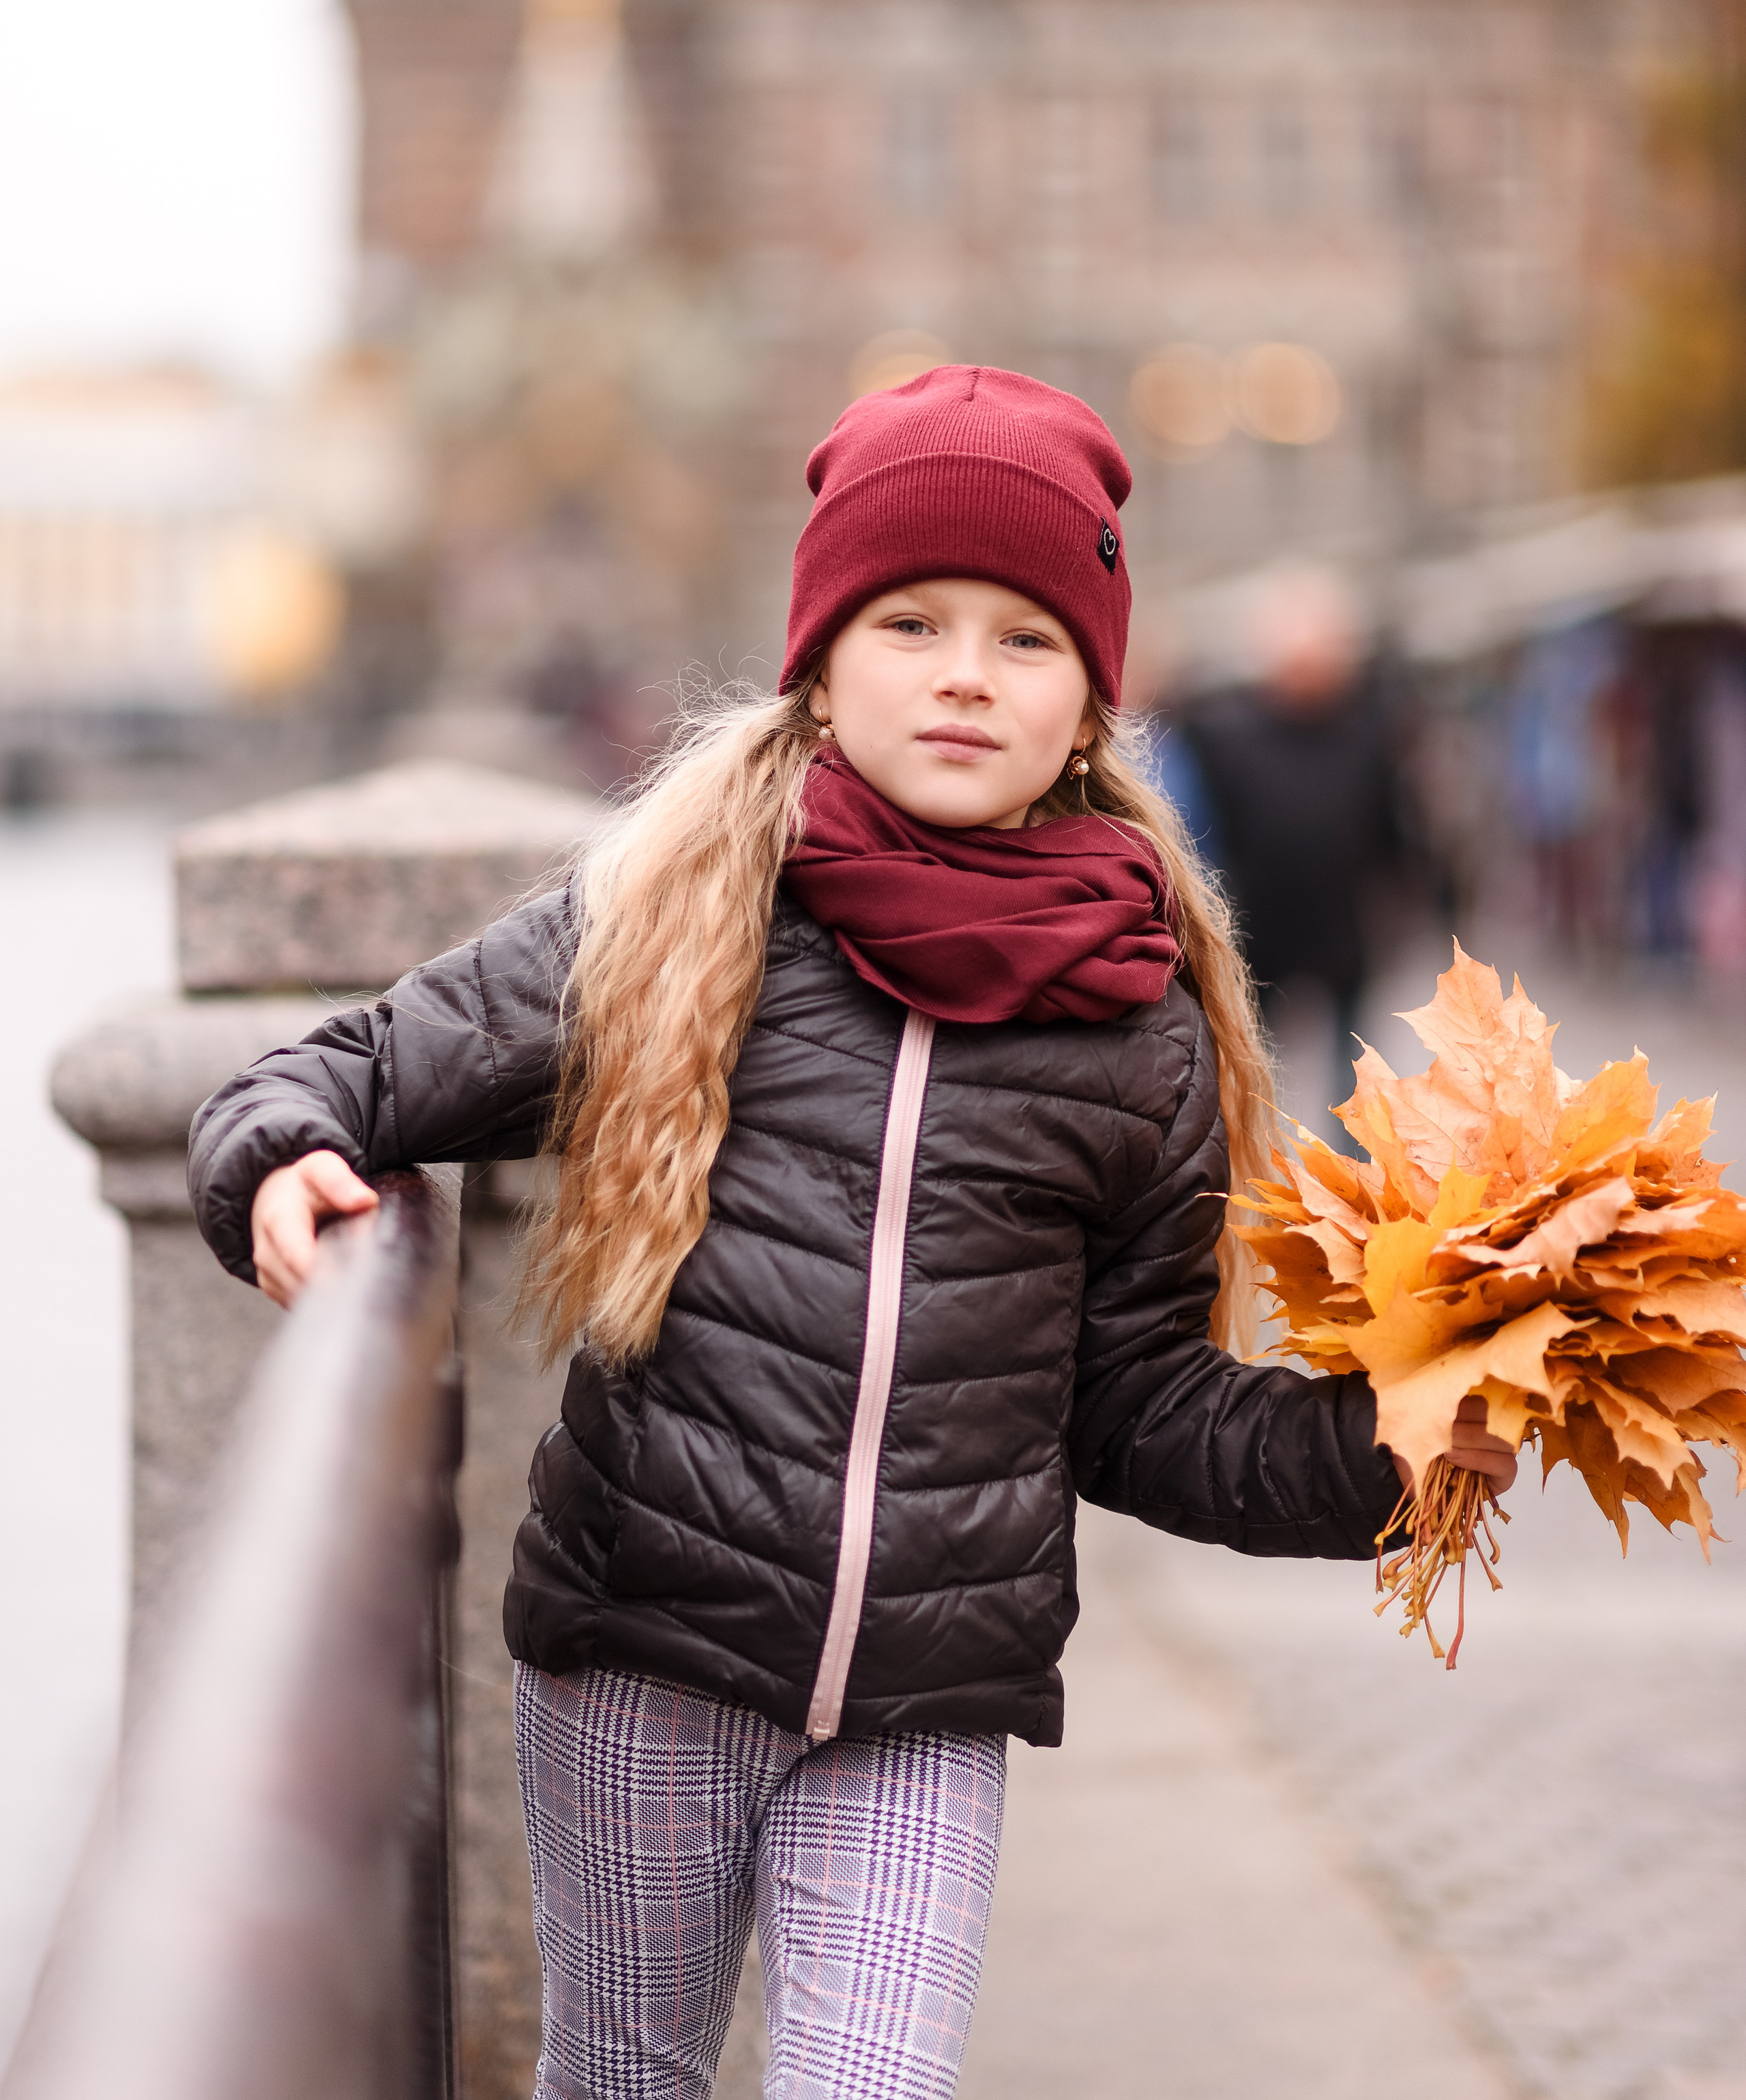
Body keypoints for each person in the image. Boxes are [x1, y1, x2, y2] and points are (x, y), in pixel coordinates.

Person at [188, 369, 1514, 2100]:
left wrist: (1387, 1451)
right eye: (909, 619)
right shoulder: (672, 914)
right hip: (641, 1648)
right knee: (621, 2074)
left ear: (1091, 705)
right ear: (820, 658)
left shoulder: (1139, 1023)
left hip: (923, 1704)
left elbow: (1135, 1404)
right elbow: (352, 1060)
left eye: (1025, 638)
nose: (964, 669)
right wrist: (280, 1147)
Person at [1185, 563, 1409, 1119]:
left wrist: (1404, 892)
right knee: (1254, 1066)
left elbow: (1392, 821)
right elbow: (1204, 828)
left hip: (1343, 921)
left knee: (1355, 1071)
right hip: (1256, 924)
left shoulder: (1371, 725)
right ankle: (1258, 1168)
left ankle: (1356, 1177)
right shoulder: (1224, 730)